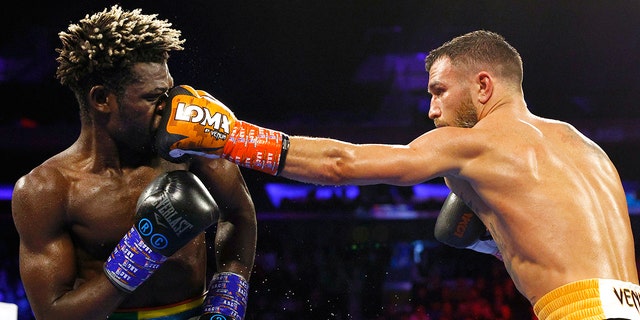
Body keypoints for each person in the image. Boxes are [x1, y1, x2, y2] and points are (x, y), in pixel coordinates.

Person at [155, 30, 640, 319]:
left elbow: (340, 163)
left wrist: (230, 137)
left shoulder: (475, 142)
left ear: (484, 86)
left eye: (439, 91)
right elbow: (570, 246)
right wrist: (491, 240)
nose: (431, 111)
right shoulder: (585, 147)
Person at [11, 5, 256, 320]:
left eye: (170, 91)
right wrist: (143, 250)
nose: (171, 107)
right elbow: (53, 314)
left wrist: (227, 298)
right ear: (101, 99)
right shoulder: (46, 189)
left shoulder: (192, 151)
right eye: (154, 98)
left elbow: (239, 214)